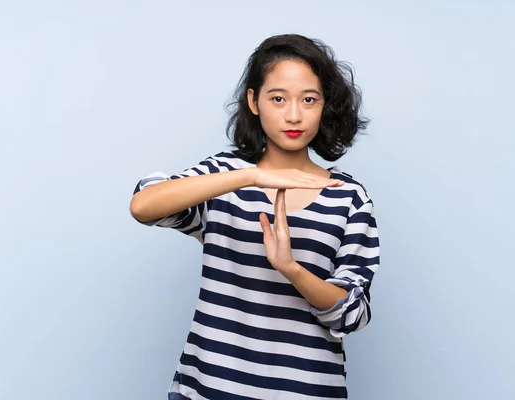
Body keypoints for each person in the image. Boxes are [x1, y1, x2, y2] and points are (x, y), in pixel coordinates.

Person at [130, 33, 380, 400]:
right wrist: (250, 174)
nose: (293, 114)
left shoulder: (348, 197)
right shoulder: (223, 178)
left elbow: (352, 314)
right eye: (278, 98)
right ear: (254, 101)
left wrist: (291, 268)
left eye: (308, 100)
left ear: (324, 105)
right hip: (209, 388)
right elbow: (144, 206)